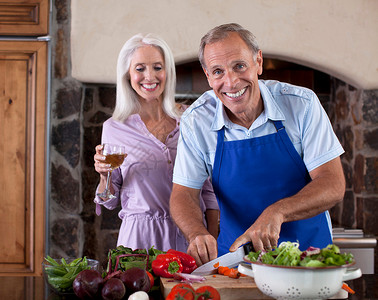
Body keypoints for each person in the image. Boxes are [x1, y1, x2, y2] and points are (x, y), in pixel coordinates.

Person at [170, 23, 346, 265]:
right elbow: (183, 193)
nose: (231, 82)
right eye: (218, 71)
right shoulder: (196, 120)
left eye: (239, 66)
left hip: (308, 258)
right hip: (238, 261)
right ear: (208, 76)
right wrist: (196, 232)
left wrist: (277, 212)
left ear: (258, 62)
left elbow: (333, 183)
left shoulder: (302, 105)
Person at [93, 33, 219, 252]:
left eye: (157, 67)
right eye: (140, 68)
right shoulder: (115, 128)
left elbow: (209, 191)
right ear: (128, 75)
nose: (149, 76)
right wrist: (105, 176)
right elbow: (108, 200)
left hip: (190, 236)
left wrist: (211, 239)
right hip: (140, 242)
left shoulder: (191, 120)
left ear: (168, 72)